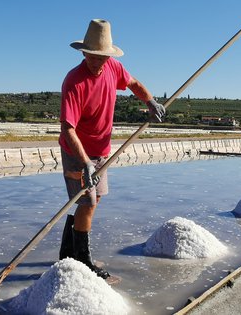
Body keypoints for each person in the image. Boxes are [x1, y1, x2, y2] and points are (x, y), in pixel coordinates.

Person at [57, 19, 165, 279]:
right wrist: (85, 162)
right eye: (93, 56)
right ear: (84, 52)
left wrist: (150, 101)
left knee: (95, 199)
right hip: (77, 152)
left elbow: (134, 83)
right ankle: (82, 261)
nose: (98, 61)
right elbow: (67, 129)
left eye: (102, 57)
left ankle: (68, 253)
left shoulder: (113, 67)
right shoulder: (74, 81)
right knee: (87, 201)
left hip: (102, 150)